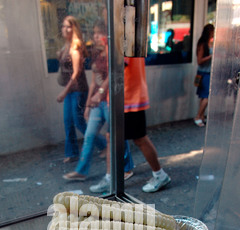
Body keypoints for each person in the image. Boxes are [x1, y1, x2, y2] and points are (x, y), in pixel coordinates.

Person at [90, 57, 170, 193]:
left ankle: (160, 175)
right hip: (124, 97)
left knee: (140, 139)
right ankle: (110, 178)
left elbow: (118, 67)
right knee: (112, 137)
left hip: (129, 98)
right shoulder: (122, 37)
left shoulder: (124, 36)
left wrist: (100, 92)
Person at [63, 20, 108, 181]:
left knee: (116, 138)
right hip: (97, 101)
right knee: (89, 135)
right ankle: (81, 171)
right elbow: (94, 81)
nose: (96, 36)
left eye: (99, 33)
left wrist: (100, 93)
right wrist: (88, 103)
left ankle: (126, 168)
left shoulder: (112, 53)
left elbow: (112, 76)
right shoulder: (96, 53)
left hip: (109, 100)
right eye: (94, 33)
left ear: (107, 35)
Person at [194, 24, 215, 127]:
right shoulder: (203, 44)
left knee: (203, 96)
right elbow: (199, 61)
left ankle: (201, 116)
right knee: (206, 96)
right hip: (204, 73)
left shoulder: (208, 43)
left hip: (207, 72)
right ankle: (198, 116)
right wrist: (211, 56)